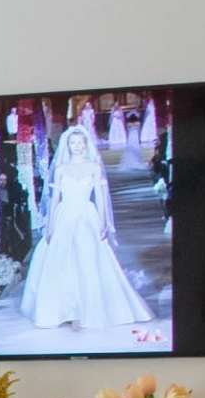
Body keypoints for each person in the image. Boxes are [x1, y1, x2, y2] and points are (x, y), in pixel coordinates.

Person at [20, 105, 153, 334]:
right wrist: (49, 225)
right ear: (68, 146)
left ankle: (87, 309)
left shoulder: (94, 166)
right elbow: (54, 200)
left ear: (86, 144)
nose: (77, 146)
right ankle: (63, 310)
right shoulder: (60, 168)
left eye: (80, 143)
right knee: (61, 261)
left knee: (87, 259)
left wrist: (103, 222)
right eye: (73, 143)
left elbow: (101, 198)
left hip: (87, 215)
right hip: (64, 215)